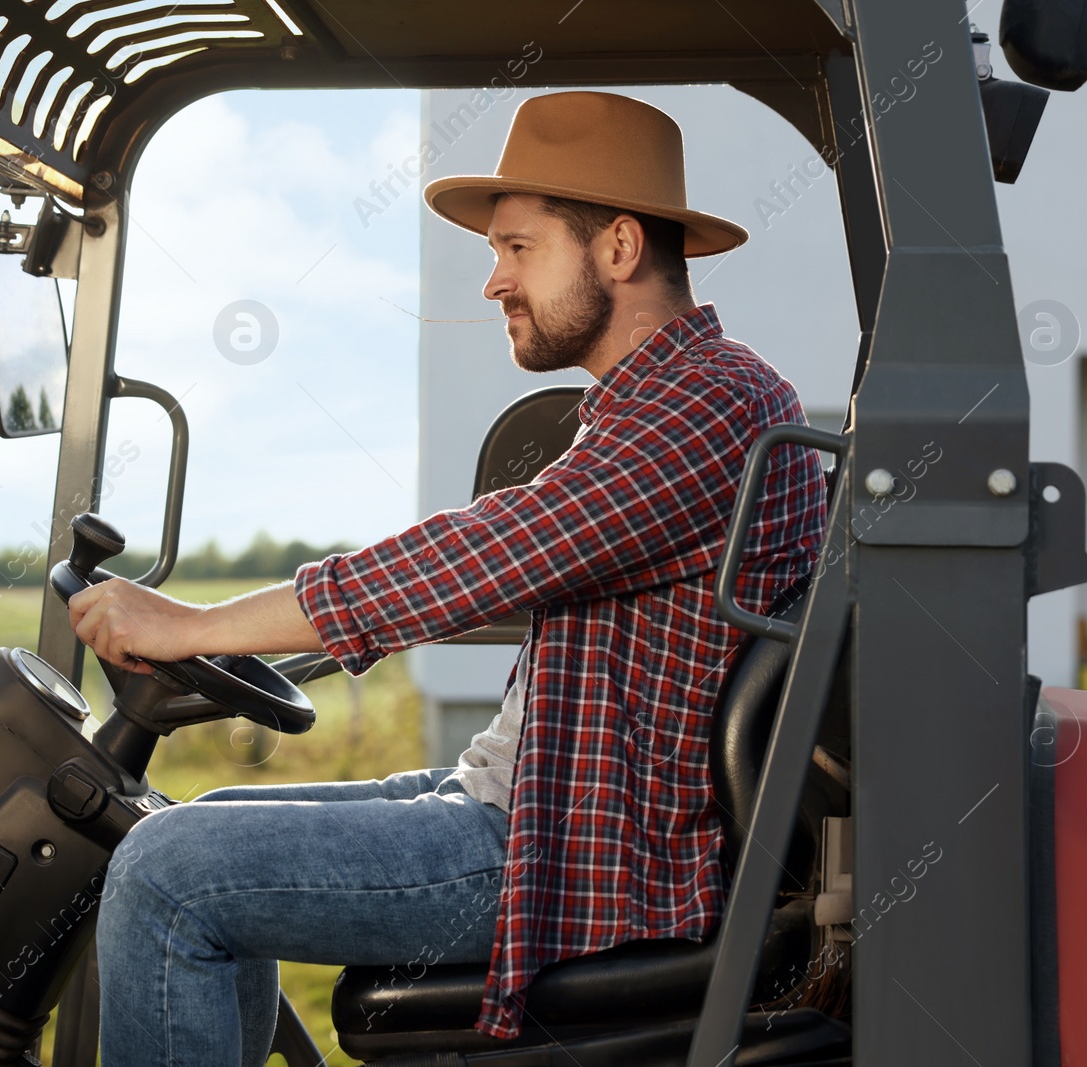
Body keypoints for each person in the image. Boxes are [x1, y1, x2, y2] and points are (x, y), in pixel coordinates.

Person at [72, 90, 827, 1066]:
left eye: (517, 248)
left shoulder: (707, 404)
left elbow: (487, 552)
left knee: (163, 873)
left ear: (619, 249)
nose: (492, 282)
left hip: (577, 848)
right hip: (546, 793)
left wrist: (196, 626)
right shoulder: (656, 403)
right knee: (204, 821)